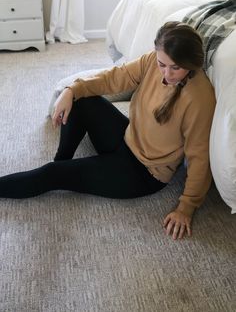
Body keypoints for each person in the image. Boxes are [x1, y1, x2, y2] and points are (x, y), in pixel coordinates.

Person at [0, 21, 216, 240]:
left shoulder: (199, 98)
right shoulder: (152, 61)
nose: (166, 74)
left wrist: (186, 206)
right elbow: (114, 77)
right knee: (83, 98)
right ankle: (62, 161)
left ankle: (57, 171)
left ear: (190, 63)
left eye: (175, 68)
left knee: (50, 174)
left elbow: (200, 157)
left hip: (143, 173)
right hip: (126, 139)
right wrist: (71, 89)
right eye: (162, 64)